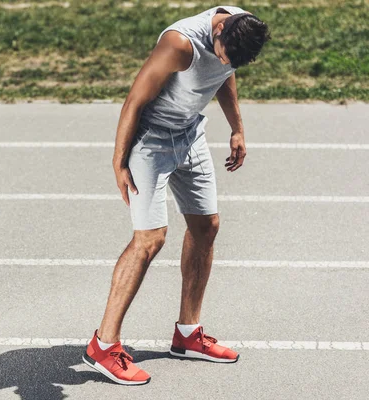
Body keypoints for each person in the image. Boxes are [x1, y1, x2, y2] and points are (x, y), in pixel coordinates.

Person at [82, 5, 271, 385]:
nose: (222, 62)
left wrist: (237, 128)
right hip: (150, 141)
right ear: (217, 32)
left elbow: (224, 74)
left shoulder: (239, 28)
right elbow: (135, 99)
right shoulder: (179, 44)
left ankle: (187, 335)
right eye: (220, 54)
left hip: (190, 134)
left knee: (206, 227)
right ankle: (103, 345)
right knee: (150, 239)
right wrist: (119, 162)